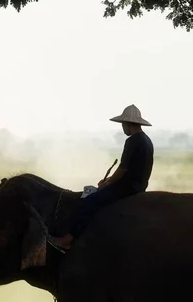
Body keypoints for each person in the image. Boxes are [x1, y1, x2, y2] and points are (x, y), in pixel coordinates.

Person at [47, 104, 154, 253]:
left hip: (127, 187)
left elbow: (123, 169)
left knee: (90, 201)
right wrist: (109, 180)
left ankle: (67, 240)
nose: (123, 128)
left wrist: (108, 183)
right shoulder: (147, 140)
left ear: (128, 124)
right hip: (138, 186)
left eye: (123, 124)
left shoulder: (133, 141)